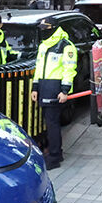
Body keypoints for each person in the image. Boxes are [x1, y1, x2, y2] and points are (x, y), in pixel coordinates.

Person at [29, 17, 77, 166]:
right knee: (49, 123)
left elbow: (69, 71)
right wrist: (35, 87)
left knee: (53, 124)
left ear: (54, 28)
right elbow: (39, 69)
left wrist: (65, 91)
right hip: (44, 87)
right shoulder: (44, 45)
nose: (43, 31)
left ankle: (55, 156)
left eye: (46, 28)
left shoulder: (66, 46)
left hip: (55, 89)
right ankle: (56, 153)